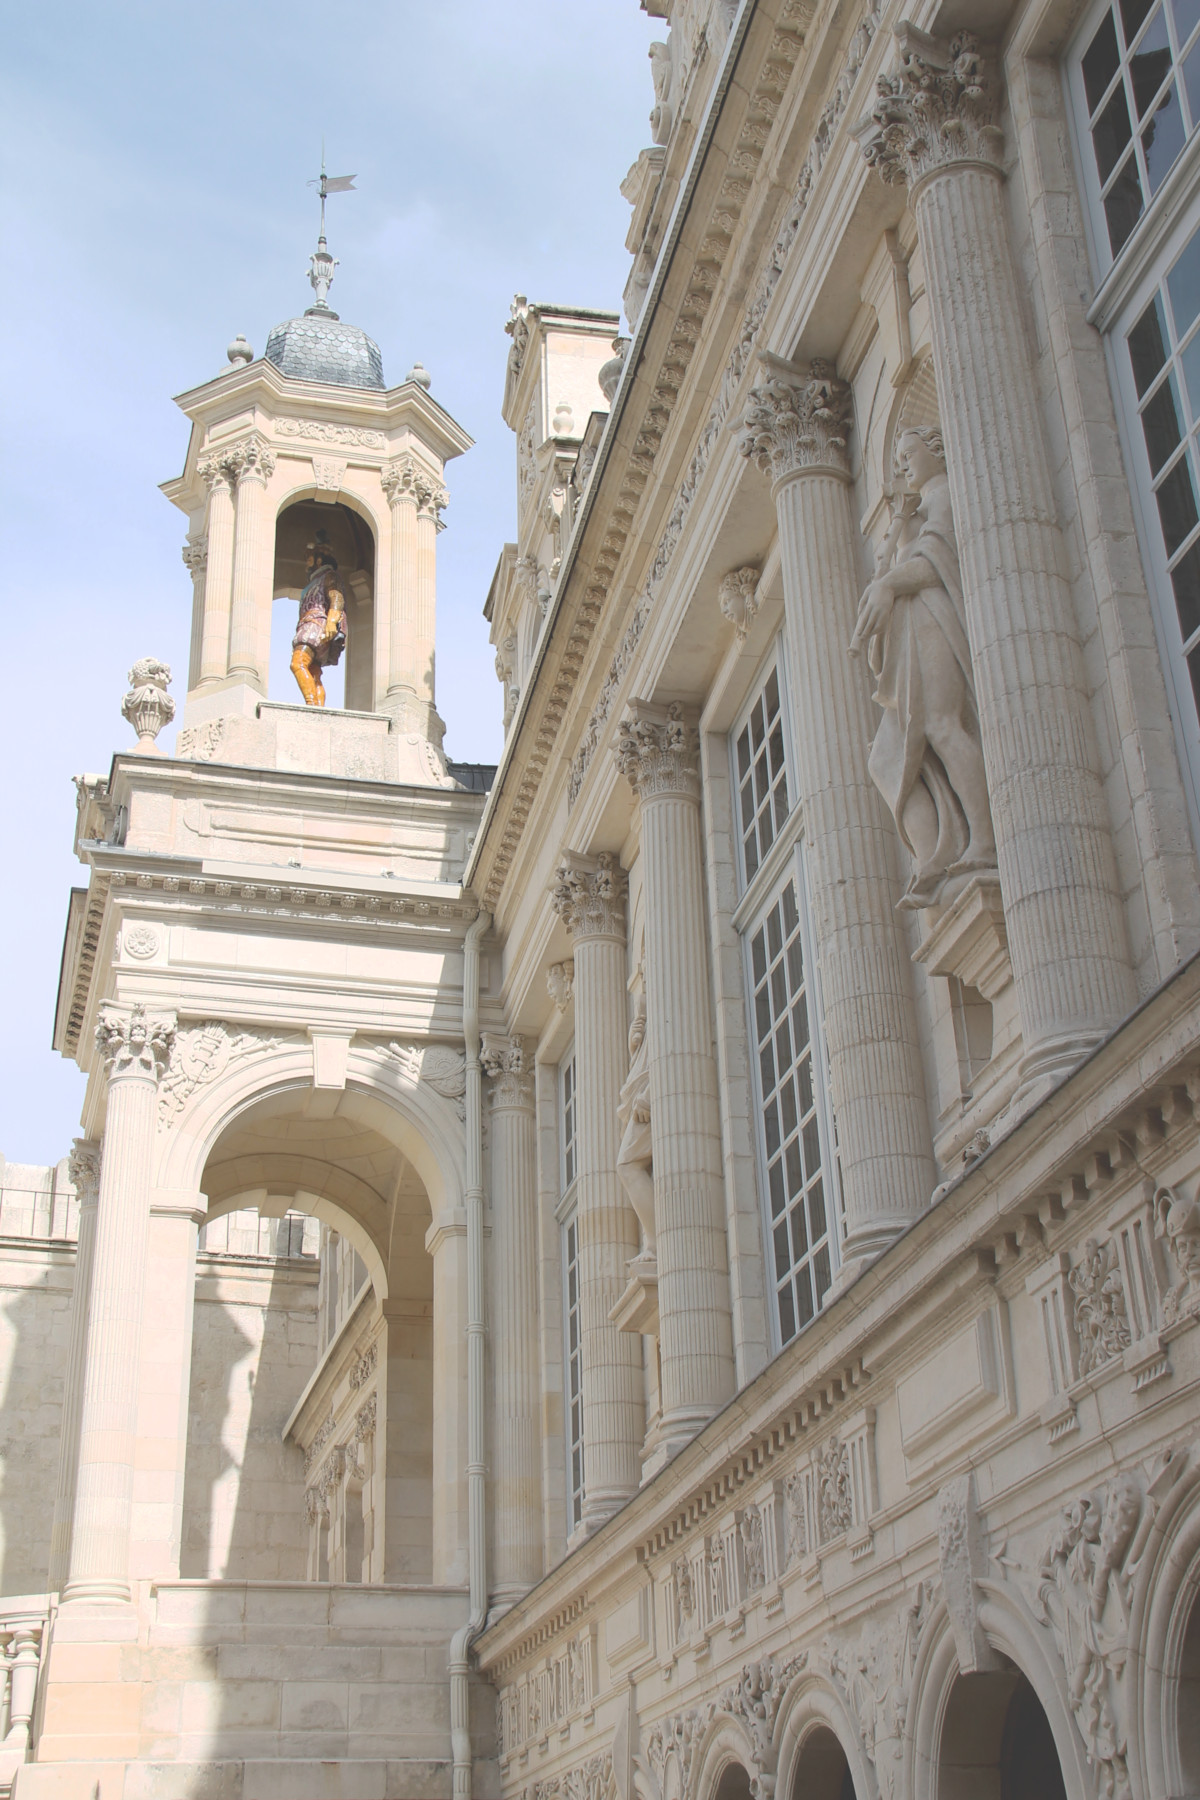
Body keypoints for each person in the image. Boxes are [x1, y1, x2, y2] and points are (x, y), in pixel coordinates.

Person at [850, 425, 996, 910]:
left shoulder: (945, 493)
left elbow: (938, 560)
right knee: (885, 758)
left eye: (909, 454)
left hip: (934, 619)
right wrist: (898, 537)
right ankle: (935, 856)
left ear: (937, 452)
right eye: (898, 458)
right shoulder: (916, 512)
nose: (903, 464)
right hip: (911, 633)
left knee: (942, 726)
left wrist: (890, 583)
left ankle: (984, 839)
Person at [291, 530, 346, 707]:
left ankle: (311, 704)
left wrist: (332, 621)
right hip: (310, 624)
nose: (307, 563)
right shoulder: (314, 581)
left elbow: (336, 597)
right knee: (314, 671)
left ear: (319, 560)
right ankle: (319, 708)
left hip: (316, 625)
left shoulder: (328, 576)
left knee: (298, 662)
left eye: (310, 558)